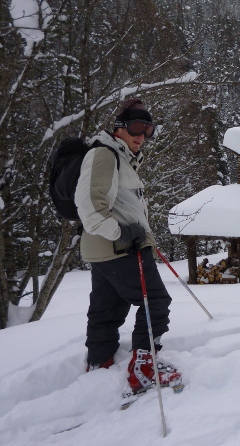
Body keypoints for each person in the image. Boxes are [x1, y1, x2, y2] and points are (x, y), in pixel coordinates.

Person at [76, 98, 181, 393]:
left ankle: (99, 364)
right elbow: (90, 208)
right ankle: (143, 368)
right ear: (119, 128)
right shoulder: (105, 154)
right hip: (120, 247)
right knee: (155, 302)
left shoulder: (120, 157)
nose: (141, 135)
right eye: (136, 127)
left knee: (107, 309)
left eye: (148, 130)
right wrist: (124, 233)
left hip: (107, 250)